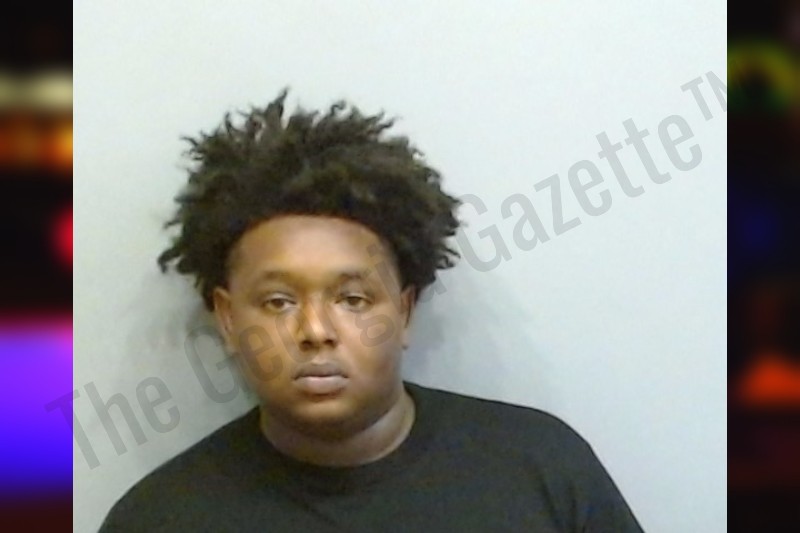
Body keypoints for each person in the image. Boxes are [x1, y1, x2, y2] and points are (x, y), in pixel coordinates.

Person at [99, 90, 644, 532]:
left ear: (403, 311)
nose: (315, 330)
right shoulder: (158, 519)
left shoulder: (541, 470)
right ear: (226, 318)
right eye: (278, 301)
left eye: (352, 299)